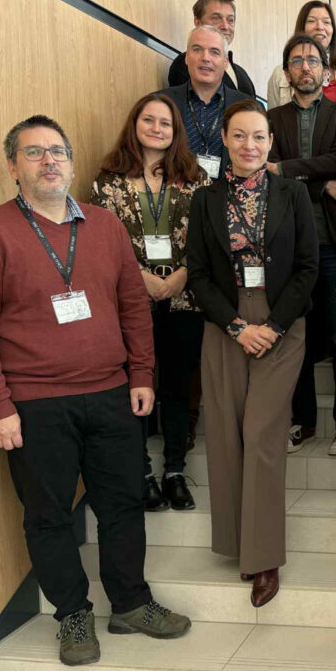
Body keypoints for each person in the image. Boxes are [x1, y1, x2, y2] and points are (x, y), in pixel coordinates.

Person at [0, 115, 191, 666]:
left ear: (72, 164)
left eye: (57, 151)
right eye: (33, 153)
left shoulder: (105, 226)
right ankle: (73, 615)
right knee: (49, 514)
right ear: (12, 167)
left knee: (123, 505)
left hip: (111, 394)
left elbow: (132, 306)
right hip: (34, 404)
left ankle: (131, 603)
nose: (48, 161)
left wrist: (143, 374)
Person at [186, 99, 317, 608]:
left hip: (282, 321)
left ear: (271, 142)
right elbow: (199, 274)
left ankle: (263, 558)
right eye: (239, 135)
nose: (249, 145)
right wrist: (238, 326)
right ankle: (238, 541)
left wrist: (274, 325)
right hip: (225, 323)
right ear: (224, 138)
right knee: (225, 434)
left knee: (262, 434)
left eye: (259, 136)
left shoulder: (293, 193)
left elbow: (307, 267)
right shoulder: (205, 199)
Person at [91, 92, 209, 512]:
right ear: (134, 124)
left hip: (184, 297)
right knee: (135, 384)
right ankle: (141, 472)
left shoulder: (195, 178)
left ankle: (175, 471)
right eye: (149, 120)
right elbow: (100, 242)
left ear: (176, 131)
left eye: (165, 123)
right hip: (129, 299)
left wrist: (181, 276)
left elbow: (208, 237)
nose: (157, 128)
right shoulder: (107, 181)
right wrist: (141, 279)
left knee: (177, 386)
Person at [265, 33, 336, 456]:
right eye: (297, 61)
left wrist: (287, 169)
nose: (305, 67)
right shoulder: (270, 119)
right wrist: (322, 185)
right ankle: (301, 421)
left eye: (313, 60)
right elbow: (265, 174)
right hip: (289, 247)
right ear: (287, 72)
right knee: (295, 337)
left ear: (325, 70)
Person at [161, 26, 248, 179]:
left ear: (225, 62)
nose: (205, 58)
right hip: (171, 191)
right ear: (186, 57)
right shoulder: (162, 102)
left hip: (228, 193)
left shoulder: (247, 108)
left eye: (214, 52)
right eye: (197, 49)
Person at [168, 0, 255, 96]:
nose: (225, 26)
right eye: (216, 18)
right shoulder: (187, 65)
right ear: (198, 22)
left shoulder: (242, 74)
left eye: (230, 20)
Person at [267, 0, 336, 109]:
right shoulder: (280, 74)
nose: (320, 27)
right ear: (301, 27)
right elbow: (273, 116)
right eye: (312, 21)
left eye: (326, 22)